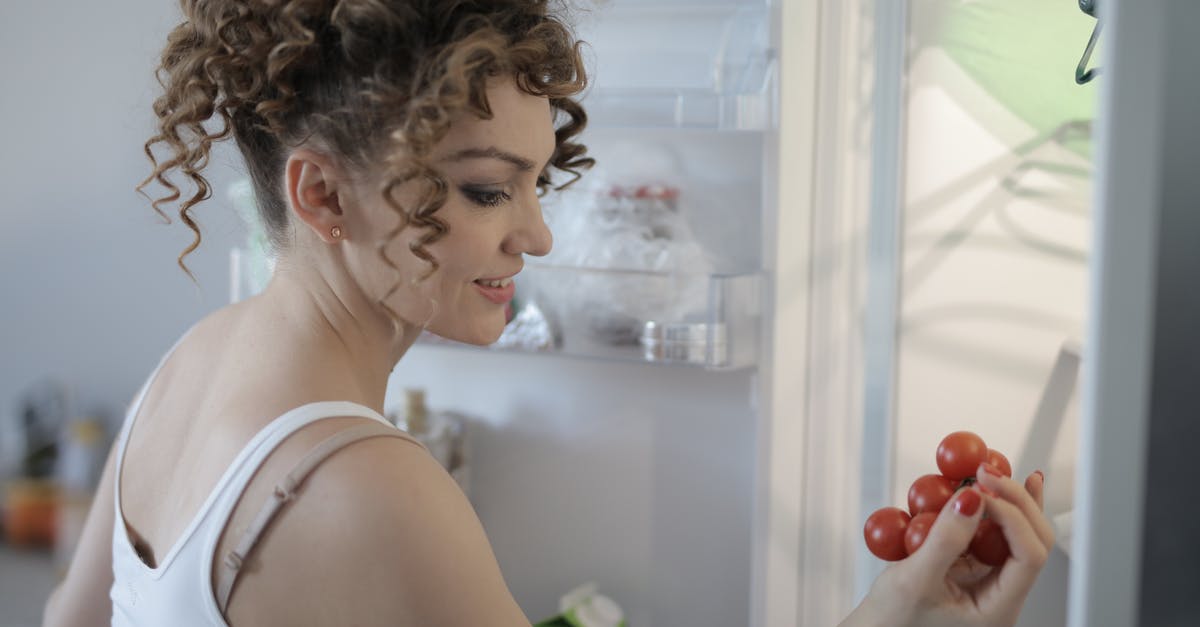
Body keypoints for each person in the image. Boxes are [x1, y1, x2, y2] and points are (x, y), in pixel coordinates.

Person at [42, 1, 1053, 625]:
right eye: (488, 190)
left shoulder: (187, 366)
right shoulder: (368, 492)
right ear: (319, 196)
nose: (538, 236)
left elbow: (68, 620)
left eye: (537, 184)